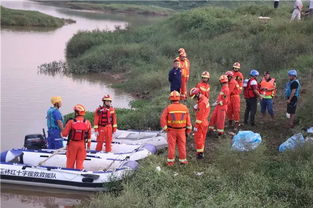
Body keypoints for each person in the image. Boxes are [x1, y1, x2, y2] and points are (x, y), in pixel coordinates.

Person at [160, 91, 192, 166]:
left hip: (171, 130)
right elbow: (188, 122)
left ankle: (170, 162)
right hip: (182, 131)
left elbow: (162, 119)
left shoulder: (168, 108)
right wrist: (188, 131)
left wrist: (165, 128)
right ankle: (183, 161)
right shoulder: (184, 108)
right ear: (179, 98)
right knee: (182, 145)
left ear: (170, 99)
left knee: (171, 146)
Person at [62, 104, 91, 170]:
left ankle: (69, 175)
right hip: (82, 145)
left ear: (76, 112)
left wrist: (63, 128)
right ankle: (79, 175)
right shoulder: (87, 122)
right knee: (80, 163)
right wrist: (88, 146)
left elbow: (64, 134)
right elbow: (89, 136)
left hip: (72, 144)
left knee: (70, 162)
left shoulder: (71, 122)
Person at [189, 88, 210, 159]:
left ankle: (199, 155)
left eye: (194, 97)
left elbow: (200, 116)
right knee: (202, 138)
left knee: (198, 139)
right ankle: (201, 152)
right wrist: (197, 107)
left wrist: (196, 126)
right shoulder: (203, 98)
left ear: (197, 94)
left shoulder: (202, 103)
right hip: (205, 122)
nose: (194, 99)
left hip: (201, 123)